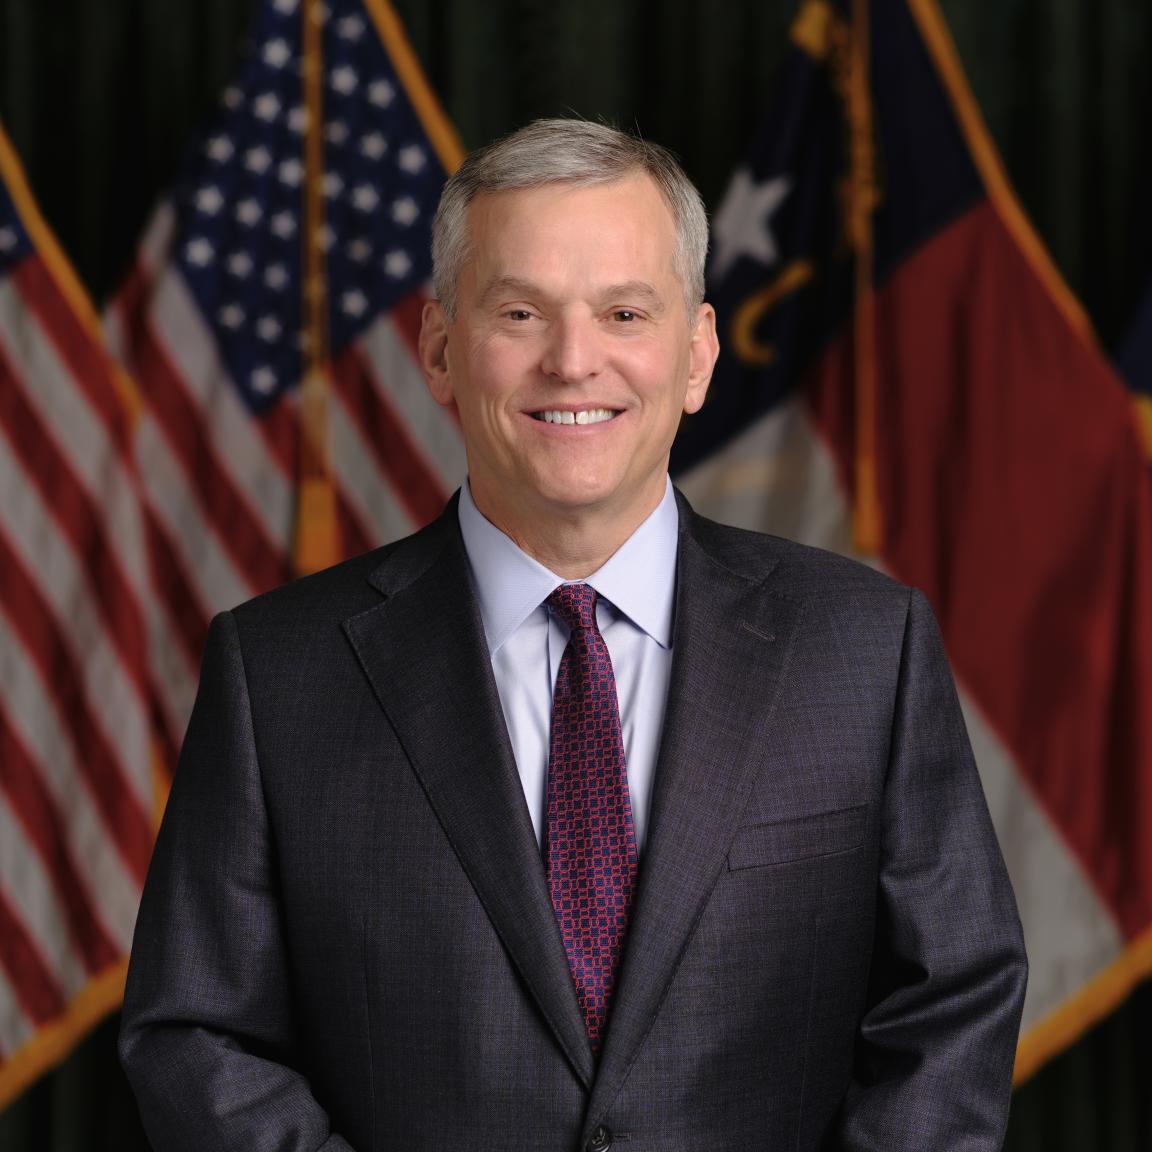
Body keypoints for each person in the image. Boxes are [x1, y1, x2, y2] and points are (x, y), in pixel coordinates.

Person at [120, 118, 1027, 1152]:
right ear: (440, 350)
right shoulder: (278, 674)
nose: (572, 360)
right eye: (520, 313)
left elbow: (952, 1001)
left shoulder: (867, 650)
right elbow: (199, 1036)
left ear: (697, 355)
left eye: (624, 313)